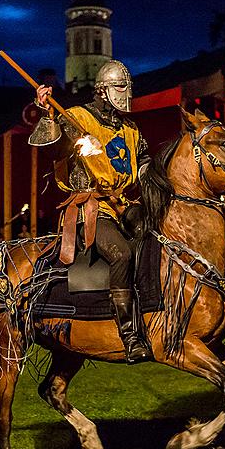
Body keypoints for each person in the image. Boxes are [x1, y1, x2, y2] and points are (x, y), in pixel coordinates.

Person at [29, 59, 152, 364]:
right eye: (120, 87)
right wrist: (48, 113)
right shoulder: (77, 118)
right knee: (121, 253)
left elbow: (145, 162)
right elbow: (53, 149)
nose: (125, 93)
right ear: (103, 89)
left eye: (127, 87)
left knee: (157, 239)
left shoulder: (129, 128)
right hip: (91, 209)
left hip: (122, 204)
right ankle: (129, 335)